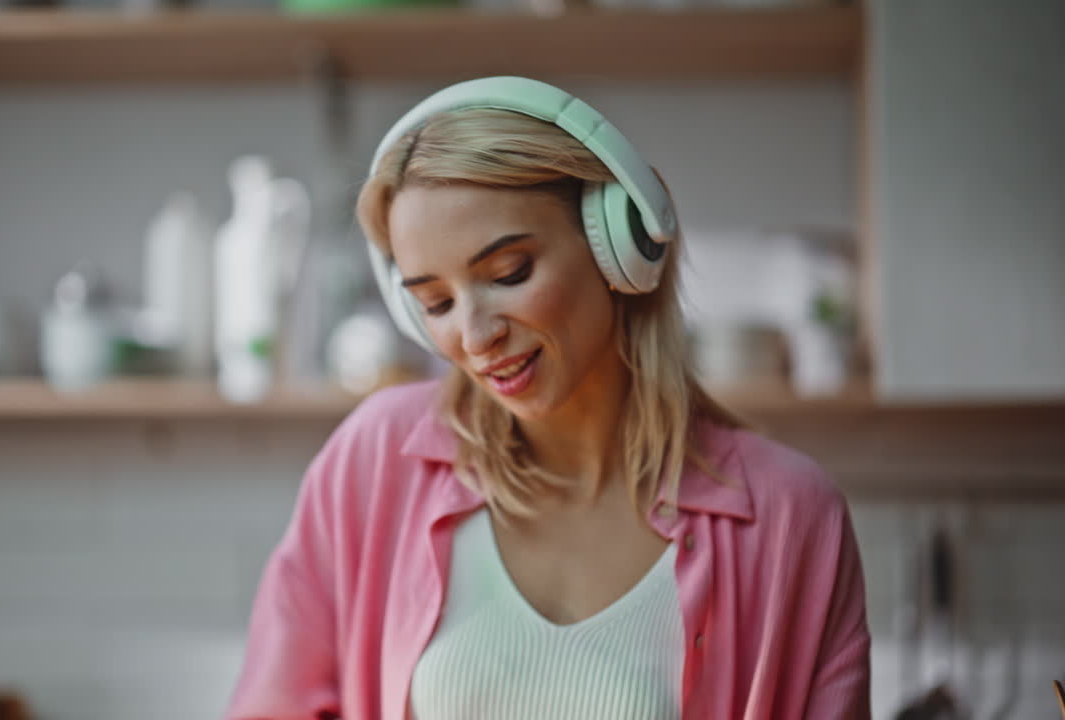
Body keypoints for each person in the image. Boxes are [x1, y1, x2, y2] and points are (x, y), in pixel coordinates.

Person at [225, 77, 870, 720]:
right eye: (436, 304)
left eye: (509, 275)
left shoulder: (792, 518)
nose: (476, 337)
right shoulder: (373, 459)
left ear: (619, 246)